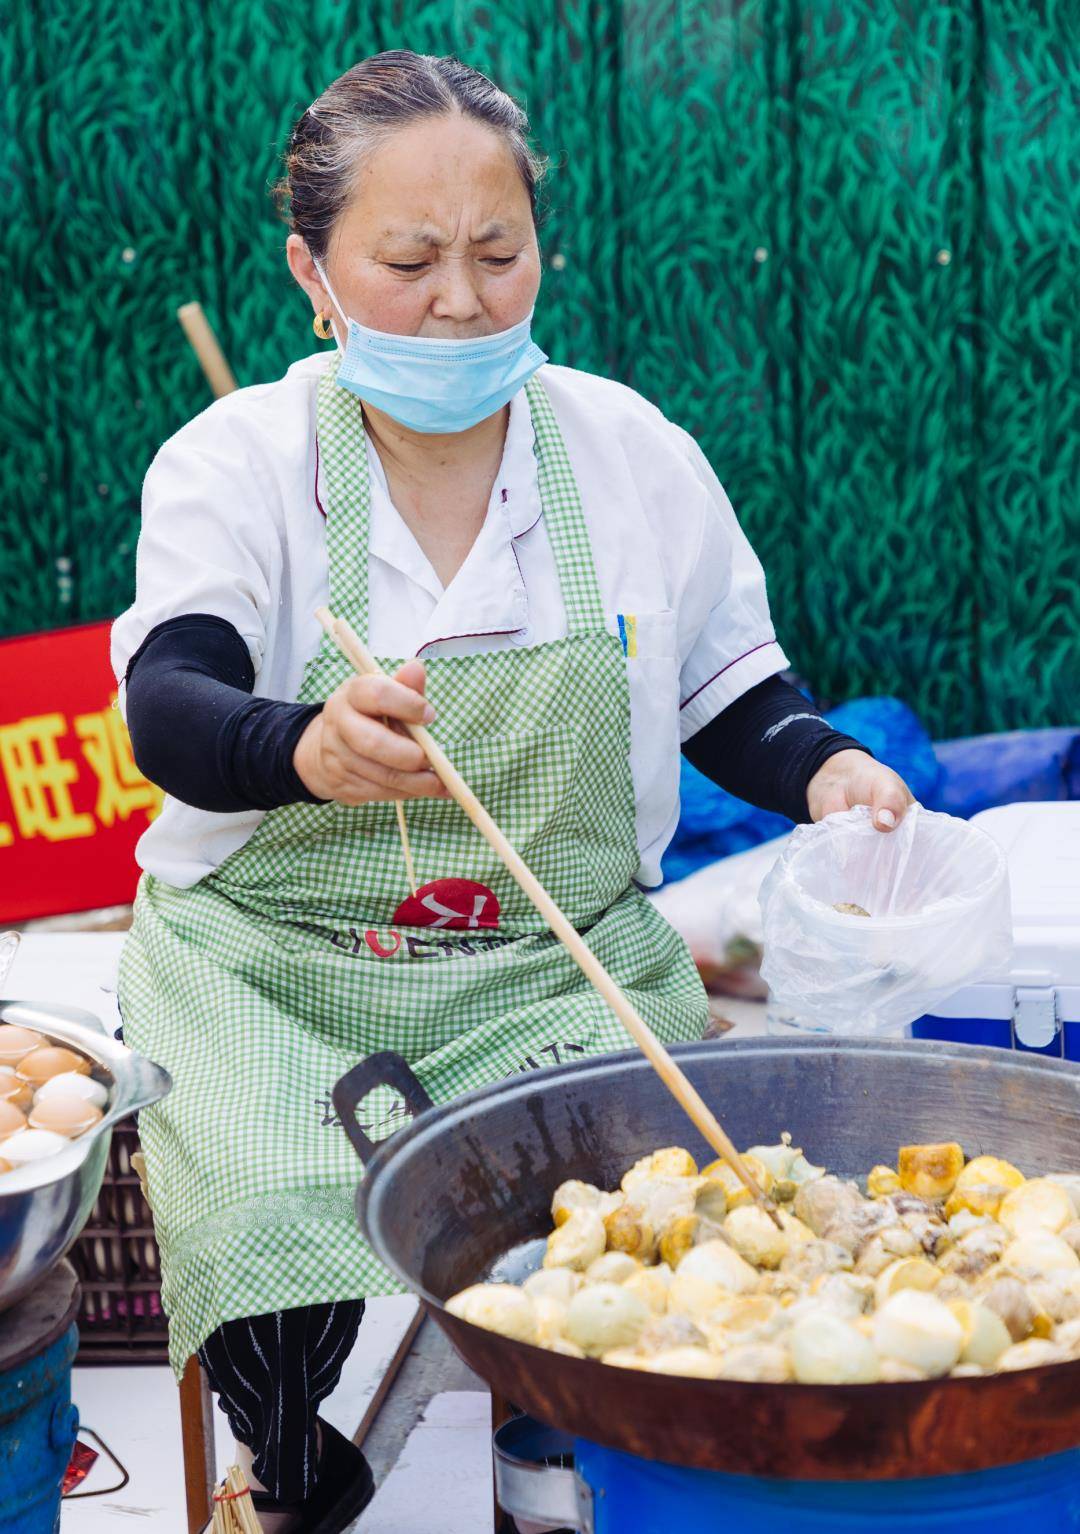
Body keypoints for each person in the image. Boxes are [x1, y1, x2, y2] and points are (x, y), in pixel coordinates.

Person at [112, 50, 913, 1533]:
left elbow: (734, 693)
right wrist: (299, 745)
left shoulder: (625, 456)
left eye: (499, 252)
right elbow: (170, 699)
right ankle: (286, 1471)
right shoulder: (241, 460)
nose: (465, 301)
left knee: (635, 1189)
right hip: (276, 969)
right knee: (280, 1214)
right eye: (410, 261)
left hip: (548, 956)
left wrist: (827, 770)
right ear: (314, 267)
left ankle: (554, 1458)